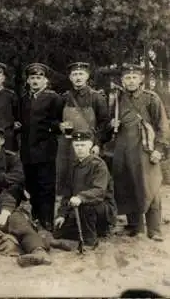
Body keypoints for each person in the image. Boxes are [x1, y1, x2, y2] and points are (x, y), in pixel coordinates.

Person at [110, 64, 169, 241]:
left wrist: (159, 149)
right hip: (123, 149)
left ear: (141, 79)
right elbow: (109, 125)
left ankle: (154, 229)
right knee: (127, 185)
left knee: (150, 186)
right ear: (122, 81)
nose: (131, 81)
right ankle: (136, 226)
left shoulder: (151, 98)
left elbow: (162, 126)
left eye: (134, 77)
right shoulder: (117, 99)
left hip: (145, 150)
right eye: (127, 78)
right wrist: (111, 124)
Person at [53, 131, 117, 250]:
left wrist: (81, 198)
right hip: (80, 208)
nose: (80, 149)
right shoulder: (74, 166)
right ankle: (89, 230)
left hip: (101, 208)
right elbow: (67, 194)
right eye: (77, 145)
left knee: (86, 207)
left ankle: (91, 240)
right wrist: (62, 214)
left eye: (83, 145)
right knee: (58, 232)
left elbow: (99, 191)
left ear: (90, 145)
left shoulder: (98, 165)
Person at [19, 63, 64, 231]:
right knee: (31, 186)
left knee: (46, 186)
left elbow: (59, 121)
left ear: (45, 80)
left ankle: (47, 220)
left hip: (46, 149)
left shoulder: (54, 98)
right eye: (32, 78)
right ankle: (36, 218)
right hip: (27, 151)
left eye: (39, 78)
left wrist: (54, 127)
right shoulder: (24, 99)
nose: (35, 81)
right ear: (28, 80)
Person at [56, 62, 110, 197]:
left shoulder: (96, 97)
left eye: (81, 74)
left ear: (87, 76)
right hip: (67, 147)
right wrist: (59, 126)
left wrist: (98, 144)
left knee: (88, 179)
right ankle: (67, 213)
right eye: (74, 74)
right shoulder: (64, 98)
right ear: (70, 77)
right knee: (68, 179)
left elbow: (104, 124)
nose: (78, 77)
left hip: (88, 145)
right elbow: (55, 119)